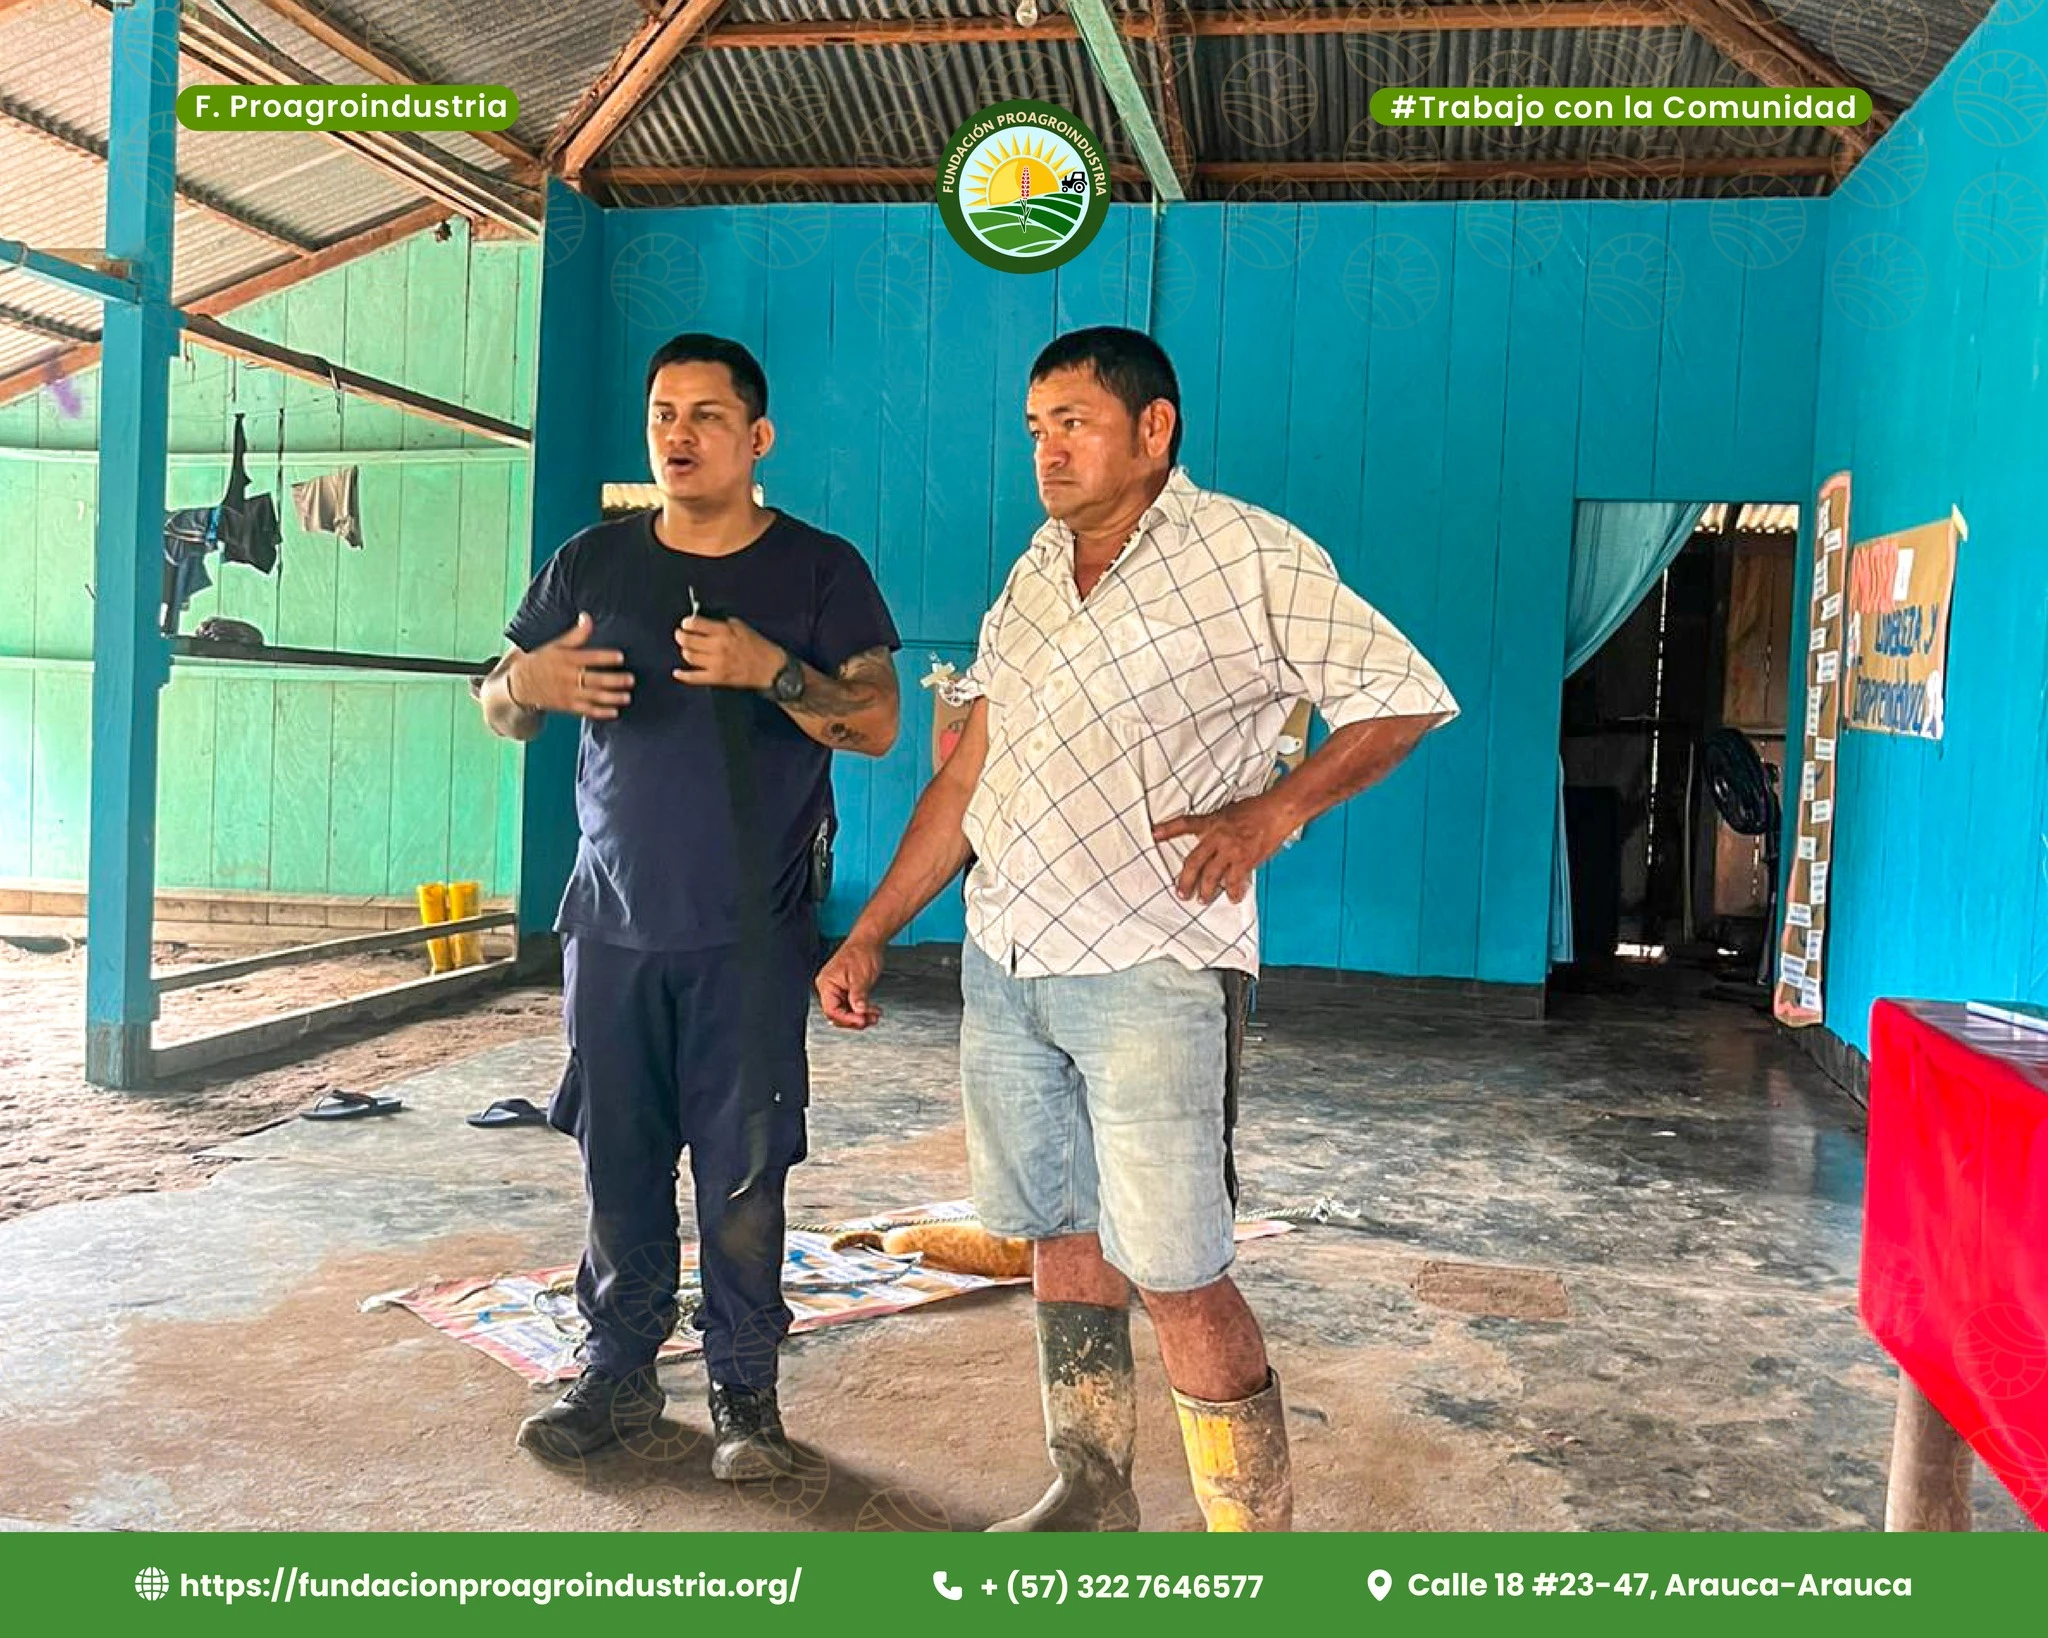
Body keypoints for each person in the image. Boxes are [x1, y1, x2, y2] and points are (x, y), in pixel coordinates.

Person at [815, 326, 1456, 1531]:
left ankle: (1249, 1546)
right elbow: (965, 783)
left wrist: (1271, 813)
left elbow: (1400, 696)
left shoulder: (1247, 555)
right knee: (1058, 1236)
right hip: (1009, 961)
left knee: (1175, 1267)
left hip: (1152, 966)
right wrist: (871, 932)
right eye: (1034, 429)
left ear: (1153, 429)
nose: (1047, 451)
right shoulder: (1031, 577)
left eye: (1073, 422)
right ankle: (1091, 1490)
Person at [479, 334, 901, 1478]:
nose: (679, 434)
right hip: (610, 925)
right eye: (663, 412)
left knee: (743, 1173)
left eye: (706, 415)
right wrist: (523, 685)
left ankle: (744, 1396)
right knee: (615, 1164)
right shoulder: (590, 563)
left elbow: (874, 723)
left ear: (756, 438)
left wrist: (773, 670)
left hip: (748, 934)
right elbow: (497, 702)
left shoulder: (816, 569)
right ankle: (614, 1375)